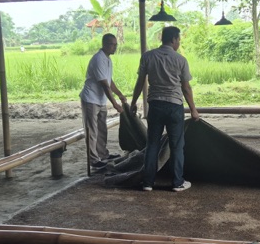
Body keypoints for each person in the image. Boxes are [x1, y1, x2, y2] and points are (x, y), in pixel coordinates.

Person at [130, 26, 200, 192]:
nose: (179, 42)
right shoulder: (180, 60)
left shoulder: (148, 56)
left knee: (152, 144)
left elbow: (140, 82)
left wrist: (133, 102)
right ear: (174, 39)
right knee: (176, 145)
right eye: (179, 39)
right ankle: (177, 182)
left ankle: (148, 182)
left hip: (155, 106)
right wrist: (193, 109)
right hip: (174, 106)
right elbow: (186, 88)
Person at [80, 33, 128, 170]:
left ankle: (103, 154)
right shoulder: (98, 59)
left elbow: (109, 80)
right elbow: (104, 85)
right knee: (92, 130)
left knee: (102, 129)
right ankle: (94, 159)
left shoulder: (107, 59)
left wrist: (120, 94)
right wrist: (115, 104)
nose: (114, 47)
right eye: (112, 44)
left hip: (101, 100)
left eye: (116, 44)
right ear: (104, 44)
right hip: (91, 99)